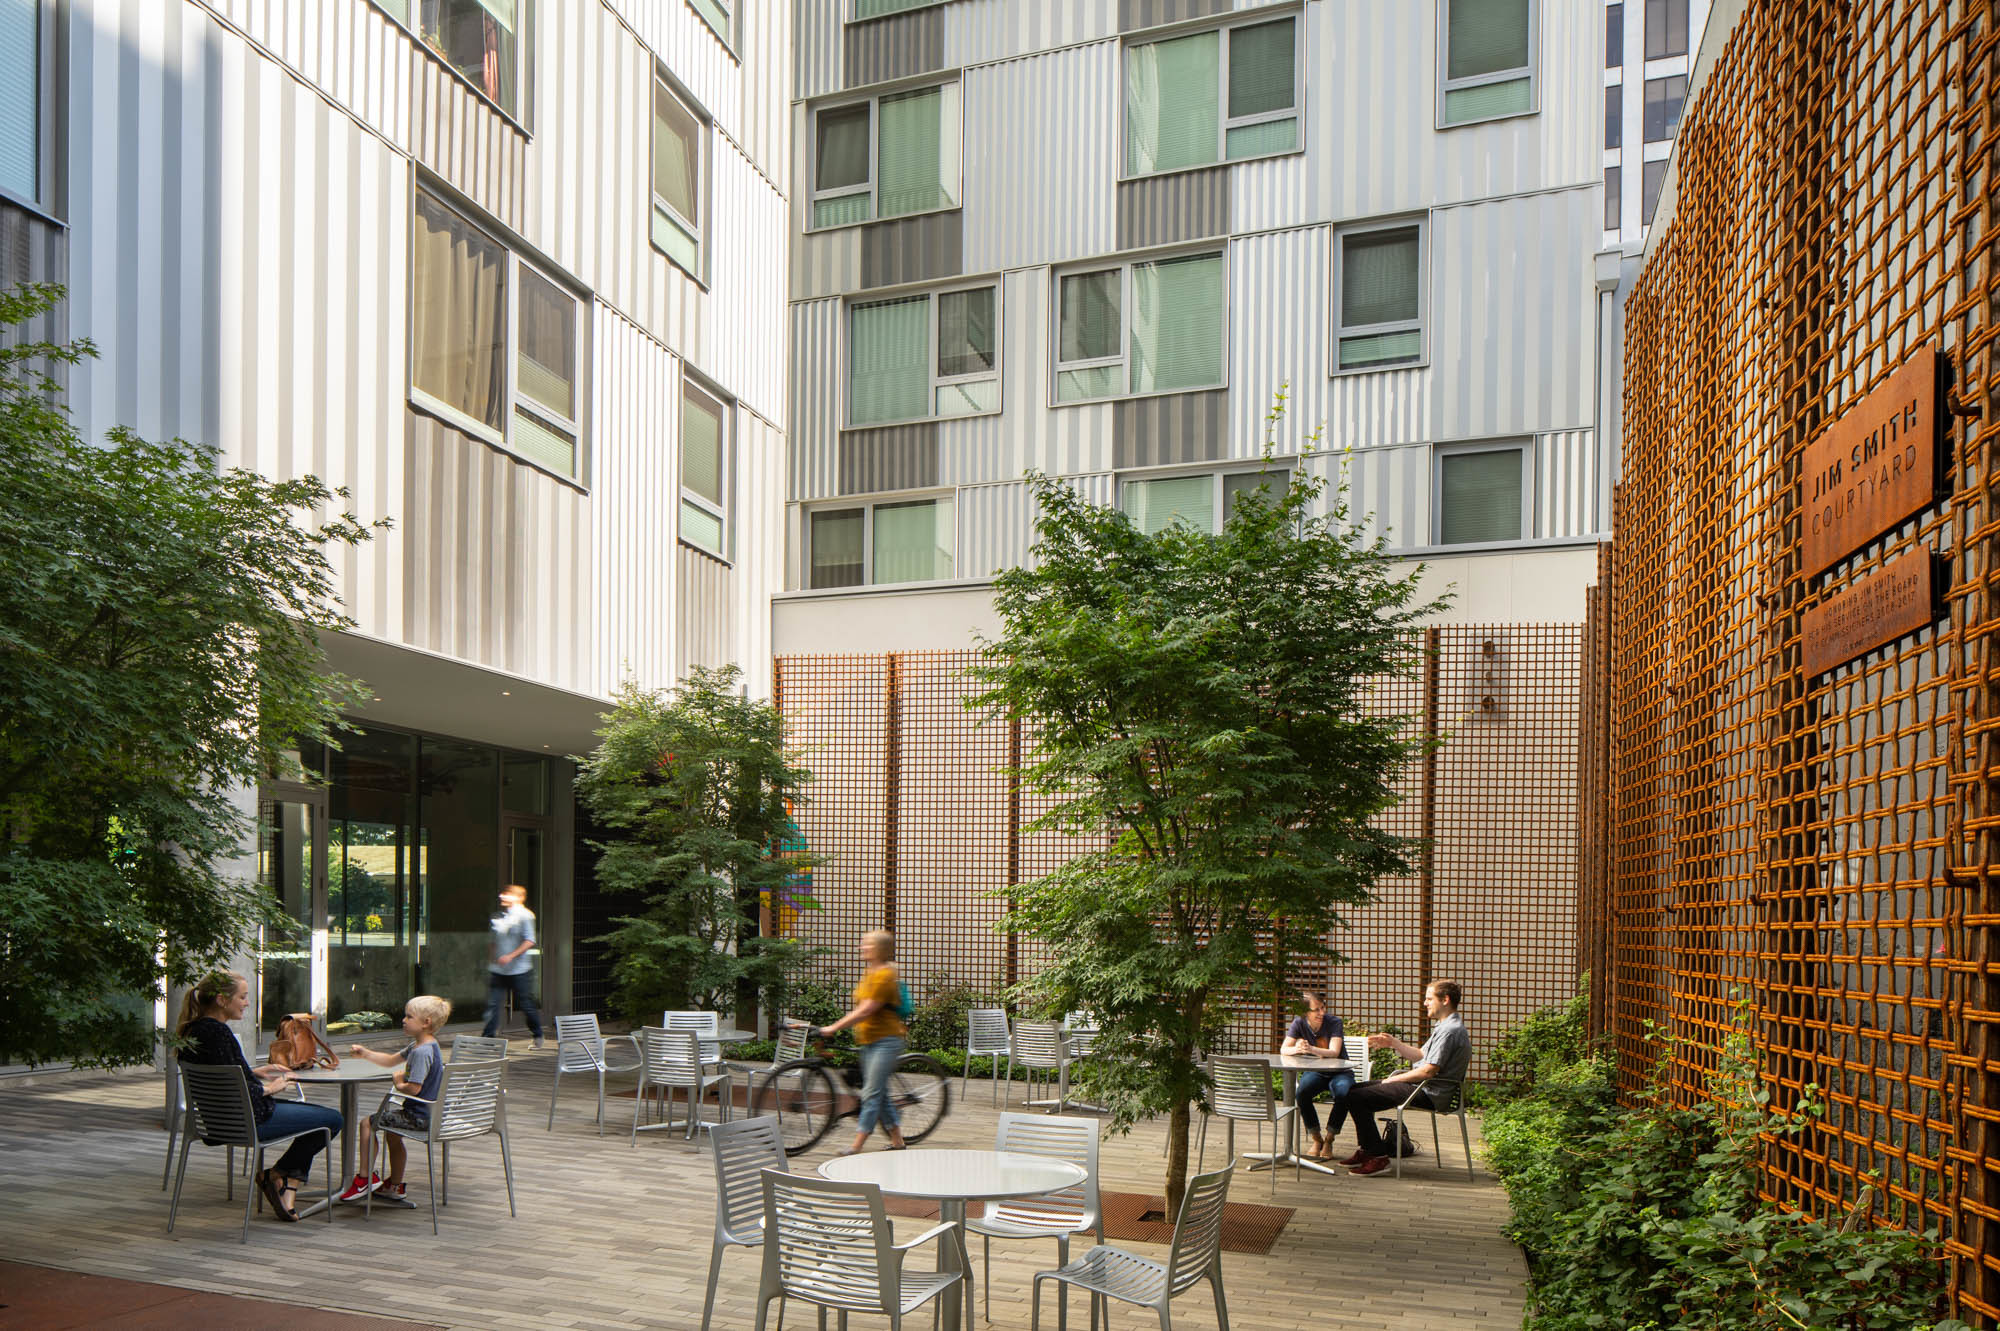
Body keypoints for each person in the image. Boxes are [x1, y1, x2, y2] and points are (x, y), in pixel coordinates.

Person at [174, 969, 343, 1222]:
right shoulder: (219, 1033)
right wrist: (273, 1086)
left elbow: (221, 1075)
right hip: (246, 1121)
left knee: (317, 1117)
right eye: (242, 997)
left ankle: (281, 1178)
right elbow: (238, 1091)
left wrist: (254, 1071)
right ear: (222, 1000)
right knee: (331, 1120)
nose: (247, 1003)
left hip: (215, 1123)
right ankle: (279, 1177)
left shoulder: (193, 1031)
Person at [1343, 980, 1471, 1177]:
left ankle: (1377, 1157)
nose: (1425, 1003)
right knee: (1353, 1090)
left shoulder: (1450, 1031)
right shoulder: (1445, 1026)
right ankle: (1369, 1150)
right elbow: (1421, 1055)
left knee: (1357, 1097)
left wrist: (1392, 1080)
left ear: (1445, 1000)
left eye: (1429, 999)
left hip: (1430, 1093)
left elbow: (1427, 1071)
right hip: (1423, 1087)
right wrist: (1394, 1043)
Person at [337, 995, 451, 1206]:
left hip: (419, 1116)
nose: (403, 1020)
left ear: (426, 1022)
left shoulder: (421, 1052)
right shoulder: (424, 1045)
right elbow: (391, 1061)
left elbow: (414, 1089)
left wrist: (399, 1083)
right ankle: (395, 1186)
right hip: (430, 1114)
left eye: (409, 1017)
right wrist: (366, 1053)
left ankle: (364, 1179)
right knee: (392, 1133)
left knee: (367, 1124)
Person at [817, 929, 907, 1156]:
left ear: (880, 949)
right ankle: (897, 1141)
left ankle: (856, 1145)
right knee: (880, 1093)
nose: (862, 947)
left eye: (867, 944)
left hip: (887, 1041)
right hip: (869, 1040)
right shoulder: (869, 972)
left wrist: (834, 1027)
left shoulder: (885, 975)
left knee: (871, 1093)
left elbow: (866, 1009)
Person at [1280, 990, 1352, 1161]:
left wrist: (1311, 1049)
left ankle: (1329, 1139)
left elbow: (1334, 1052)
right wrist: (1297, 1049)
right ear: (1305, 1012)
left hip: (1339, 1071)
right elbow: (1284, 1049)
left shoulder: (1334, 1022)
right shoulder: (1299, 1023)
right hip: (1316, 1071)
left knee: (1344, 1094)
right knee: (1301, 1094)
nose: (1322, 1013)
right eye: (1316, 1010)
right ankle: (1316, 1138)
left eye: (1322, 1007)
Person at [482, 883, 544, 1049]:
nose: (502, 896)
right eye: (503, 893)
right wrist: (491, 959)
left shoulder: (526, 916)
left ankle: (537, 1034)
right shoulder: (498, 916)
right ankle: (487, 1040)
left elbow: (530, 940)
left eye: (507, 894)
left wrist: (510, 956)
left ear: (520, 897)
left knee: (525, 1004)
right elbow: (493, 941)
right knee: (493, 1005)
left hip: (520, 970)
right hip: (498, 970)